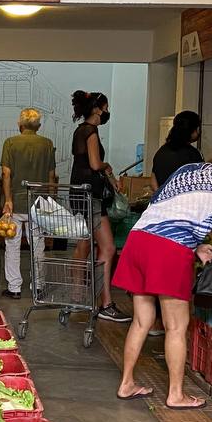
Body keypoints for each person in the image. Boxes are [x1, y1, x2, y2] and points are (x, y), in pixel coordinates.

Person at [114, 139, 212, 409]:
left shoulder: (190, 169)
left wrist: (194, 247)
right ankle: (176, 394)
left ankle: (126, 383)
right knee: (177, 327)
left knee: (141, 320)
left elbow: (164, 209)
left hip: (139, 240)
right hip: (168, 251)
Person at [69, 90, 129, 323]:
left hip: (79, 194)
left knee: (83, 245)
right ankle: (106, 303)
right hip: (92, 196)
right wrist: (108, 165)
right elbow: (95, 163)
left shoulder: (78, 130)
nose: (106, 111)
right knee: (108, 248)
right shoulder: (91, 131)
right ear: (97, 109)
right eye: (105, 107)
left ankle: (76, 296)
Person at [0, 108, 57, 299]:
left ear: (20, 125)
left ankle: (14, 287)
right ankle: (38, 286)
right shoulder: (47, 144)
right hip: (39, 203)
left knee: (12, 245)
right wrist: (50, 200)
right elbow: (51, 176)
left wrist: (8, 199)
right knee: (38, 246)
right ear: (38, 126)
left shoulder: (11, 143)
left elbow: (6, 174)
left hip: (15, 202)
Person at [151, 111, 202, 191]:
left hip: (163, 200)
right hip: (184, 201)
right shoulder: (193, 154)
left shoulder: (161, 152)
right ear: (192, 130)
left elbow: (154, 181)